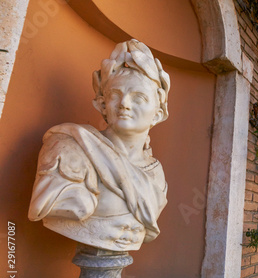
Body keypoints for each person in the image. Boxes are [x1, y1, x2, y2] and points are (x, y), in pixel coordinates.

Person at [28, 40, 169, 251]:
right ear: (102, 105)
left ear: (157, 114)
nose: (125, 104)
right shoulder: (70, 148)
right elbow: (43, 206)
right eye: (115, 95)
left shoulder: (156, 172)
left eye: (138, 97)